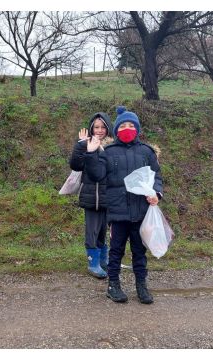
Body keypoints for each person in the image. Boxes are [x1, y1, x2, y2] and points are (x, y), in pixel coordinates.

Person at [84, 106, 163, 304]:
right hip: (117, 212)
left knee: (139, 251)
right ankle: (113, 286)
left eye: (131, 125)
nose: (127, 129)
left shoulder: (147, 152)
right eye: (123, 126)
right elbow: (96, 175)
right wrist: (92, 154)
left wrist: (157, 194)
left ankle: (141, 286)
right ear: (116, 129)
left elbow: (157, 177)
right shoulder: (108, 151)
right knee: (116, 251)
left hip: (140, 211)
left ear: (137, 128)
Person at [69, 112, 113, 278]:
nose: (99, 130)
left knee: (103, 231)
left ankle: (103, 260)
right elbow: (75, 164)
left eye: (103, 127)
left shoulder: (112, 146)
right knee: (92, 232)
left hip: (107, 197)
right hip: (91, 197)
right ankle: (93, 263)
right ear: (91, 128)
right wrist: (82, 146)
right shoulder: (85, 144)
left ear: (108, 129)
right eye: (96, 127)